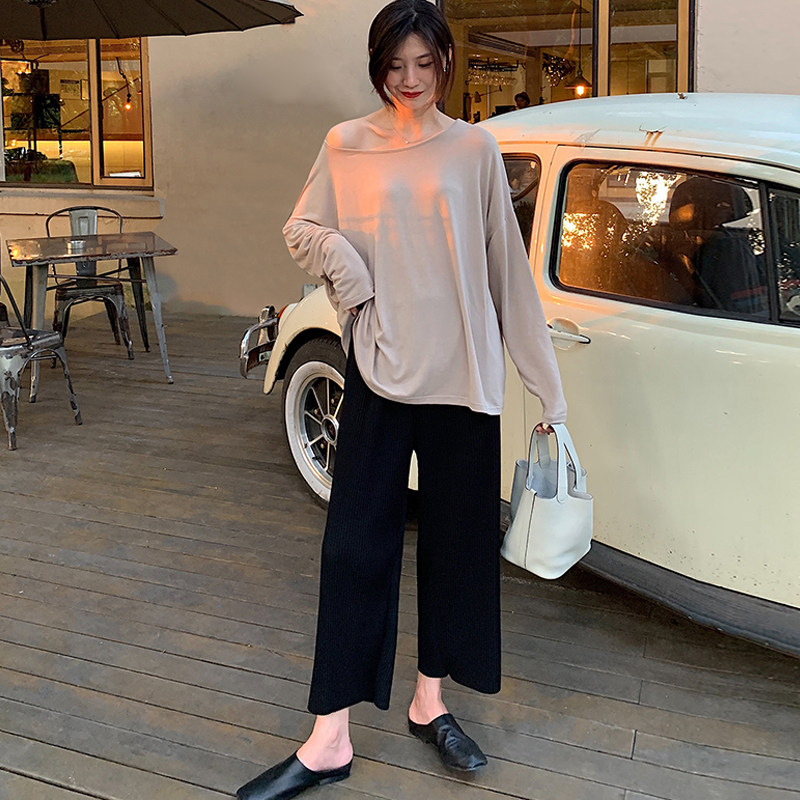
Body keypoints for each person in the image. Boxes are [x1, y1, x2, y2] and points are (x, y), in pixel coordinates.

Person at [235, 2, 566, 798]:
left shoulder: (474, 149)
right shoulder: (345, 145)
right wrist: (347, 271)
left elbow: (506, 271)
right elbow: (302, 227)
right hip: (380, 370)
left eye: (424, 63)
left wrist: (545, 388)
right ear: (376, 64)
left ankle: (430, 703)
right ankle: (328, 739)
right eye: (394, 64)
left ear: (446, 62)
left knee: (456, 552)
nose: (409, 80)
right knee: (353, 550)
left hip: (464, 381)